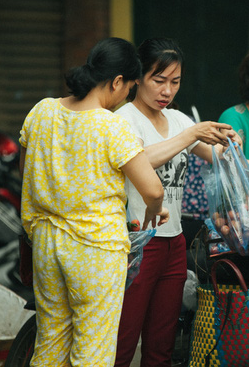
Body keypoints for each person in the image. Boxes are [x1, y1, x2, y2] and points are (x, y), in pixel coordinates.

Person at [19, 37, 169, 366]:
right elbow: (154, 191)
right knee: (93, 347)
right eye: (130, 88)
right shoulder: (111, 127)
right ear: (117, 82)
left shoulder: (42, 112)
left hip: (45, 244)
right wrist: (155, 213)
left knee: (51, 341)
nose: (127, 96)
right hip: (94, 250)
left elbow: (24, 170)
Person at [113, 37, 239, 367]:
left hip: (173, 244)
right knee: (122, 342)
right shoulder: (124, 119)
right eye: (159, 80)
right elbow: (139, 158)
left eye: (175, 82)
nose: (167, 91)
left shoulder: (178, 121)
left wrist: (233, 145)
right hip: (138, 244)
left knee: (161, 346)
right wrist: (189, 135)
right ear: (138, 77)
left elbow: (219, 156)